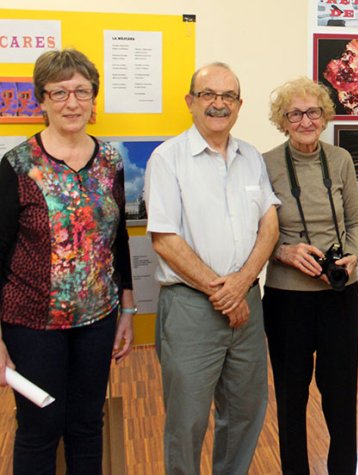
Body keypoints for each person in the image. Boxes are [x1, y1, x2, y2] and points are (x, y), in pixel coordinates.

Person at [0, 48, 135, 474]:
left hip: (97, 320)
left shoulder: (110, 160)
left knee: (87, 426)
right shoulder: (18, 165)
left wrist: (127, 310)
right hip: (32, 324)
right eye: (59, 92)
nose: (71, 102)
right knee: (39, 430)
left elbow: (118, 240)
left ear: (94, 98)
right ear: (41, 100)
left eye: (81, 91)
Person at [144, 62, 280, 475]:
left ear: (239, 104)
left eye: (228, 96)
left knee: (245, 412)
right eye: (208, 95)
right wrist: (223, 292)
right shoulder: (167, 159)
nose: (219, 104)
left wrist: (242, 285)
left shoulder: (250, 157)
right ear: (190, 101)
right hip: (191, 308)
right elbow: (165, 239)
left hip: (247, 306)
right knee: (187, 420)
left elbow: (270, 226)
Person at [262, 77, 358, 474]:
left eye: (313, 112)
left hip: (339, 293)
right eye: (295, 114)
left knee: (341, 394)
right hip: (287, 298)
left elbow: (356, 222)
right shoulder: (266, 164)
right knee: (291, 396)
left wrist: (352, 256)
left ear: (325, 116)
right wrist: (283, 252)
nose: (305, 121)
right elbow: (256, 232)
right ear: (282, 120)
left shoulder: (341, 160)